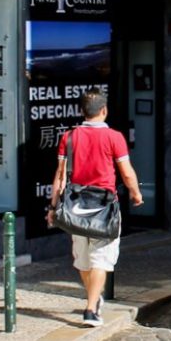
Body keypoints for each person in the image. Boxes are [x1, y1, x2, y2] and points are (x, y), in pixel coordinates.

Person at [47, 88, 144, 327]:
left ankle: (93, 299)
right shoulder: (114, 137)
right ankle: (91, 309)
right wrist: (136, 193)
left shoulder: (69, 137)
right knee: (101, 259)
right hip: (104, 206)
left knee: (83, 260)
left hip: (76, 206)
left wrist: (52, 206)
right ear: (104, 110)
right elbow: (126, 173)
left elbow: (60, 175)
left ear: (82, 111)